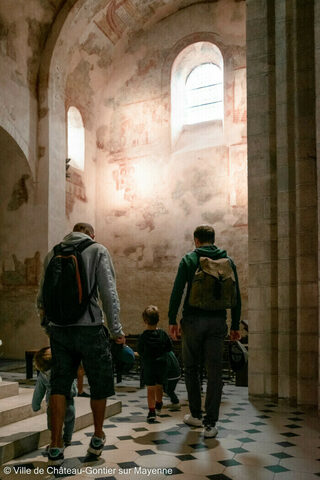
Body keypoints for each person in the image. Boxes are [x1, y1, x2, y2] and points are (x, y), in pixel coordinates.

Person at [37, 222, 125, 465]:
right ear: (92, 234)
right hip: (90, 329)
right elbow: (108, 292)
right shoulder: (97, 250)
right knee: (98, 383)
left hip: (59, 331)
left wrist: (48, 326)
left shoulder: (52, 253)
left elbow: (41, 295)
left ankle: (55, 445)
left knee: (59, 385)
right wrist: (116, 330)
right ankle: (97, 437)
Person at [168, 225, 241, 438]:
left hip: (192, 321)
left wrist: (172, 319)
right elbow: (236, 296)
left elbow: (177, 290)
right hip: (218, 322)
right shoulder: (228, 262)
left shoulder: (189, 260)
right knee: (215, 372)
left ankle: (196, 415)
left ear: (196, 241)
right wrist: (235, 324)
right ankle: (210, 424)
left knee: (191, 368)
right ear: (213, 240)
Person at [32, 347, 77, 448]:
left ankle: (57, 439)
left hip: (52, 405)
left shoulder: (43, 375)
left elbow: (38, 392)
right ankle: (67, 439)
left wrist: (36, 405)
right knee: (69, 421)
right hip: (68, 402)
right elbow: (72, 384)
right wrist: (74, 392)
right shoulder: (64, 370)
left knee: (53, 424)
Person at [137, 305, 172, 423]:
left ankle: (151, 412)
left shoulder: (143, 336)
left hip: (149, 366)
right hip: (162, 364)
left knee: (150, 388)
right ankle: (159, 403)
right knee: (159, 385)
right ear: (158, 319)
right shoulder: (163, 334)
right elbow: (169, 348)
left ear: (145, 321)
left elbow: (140, 351)